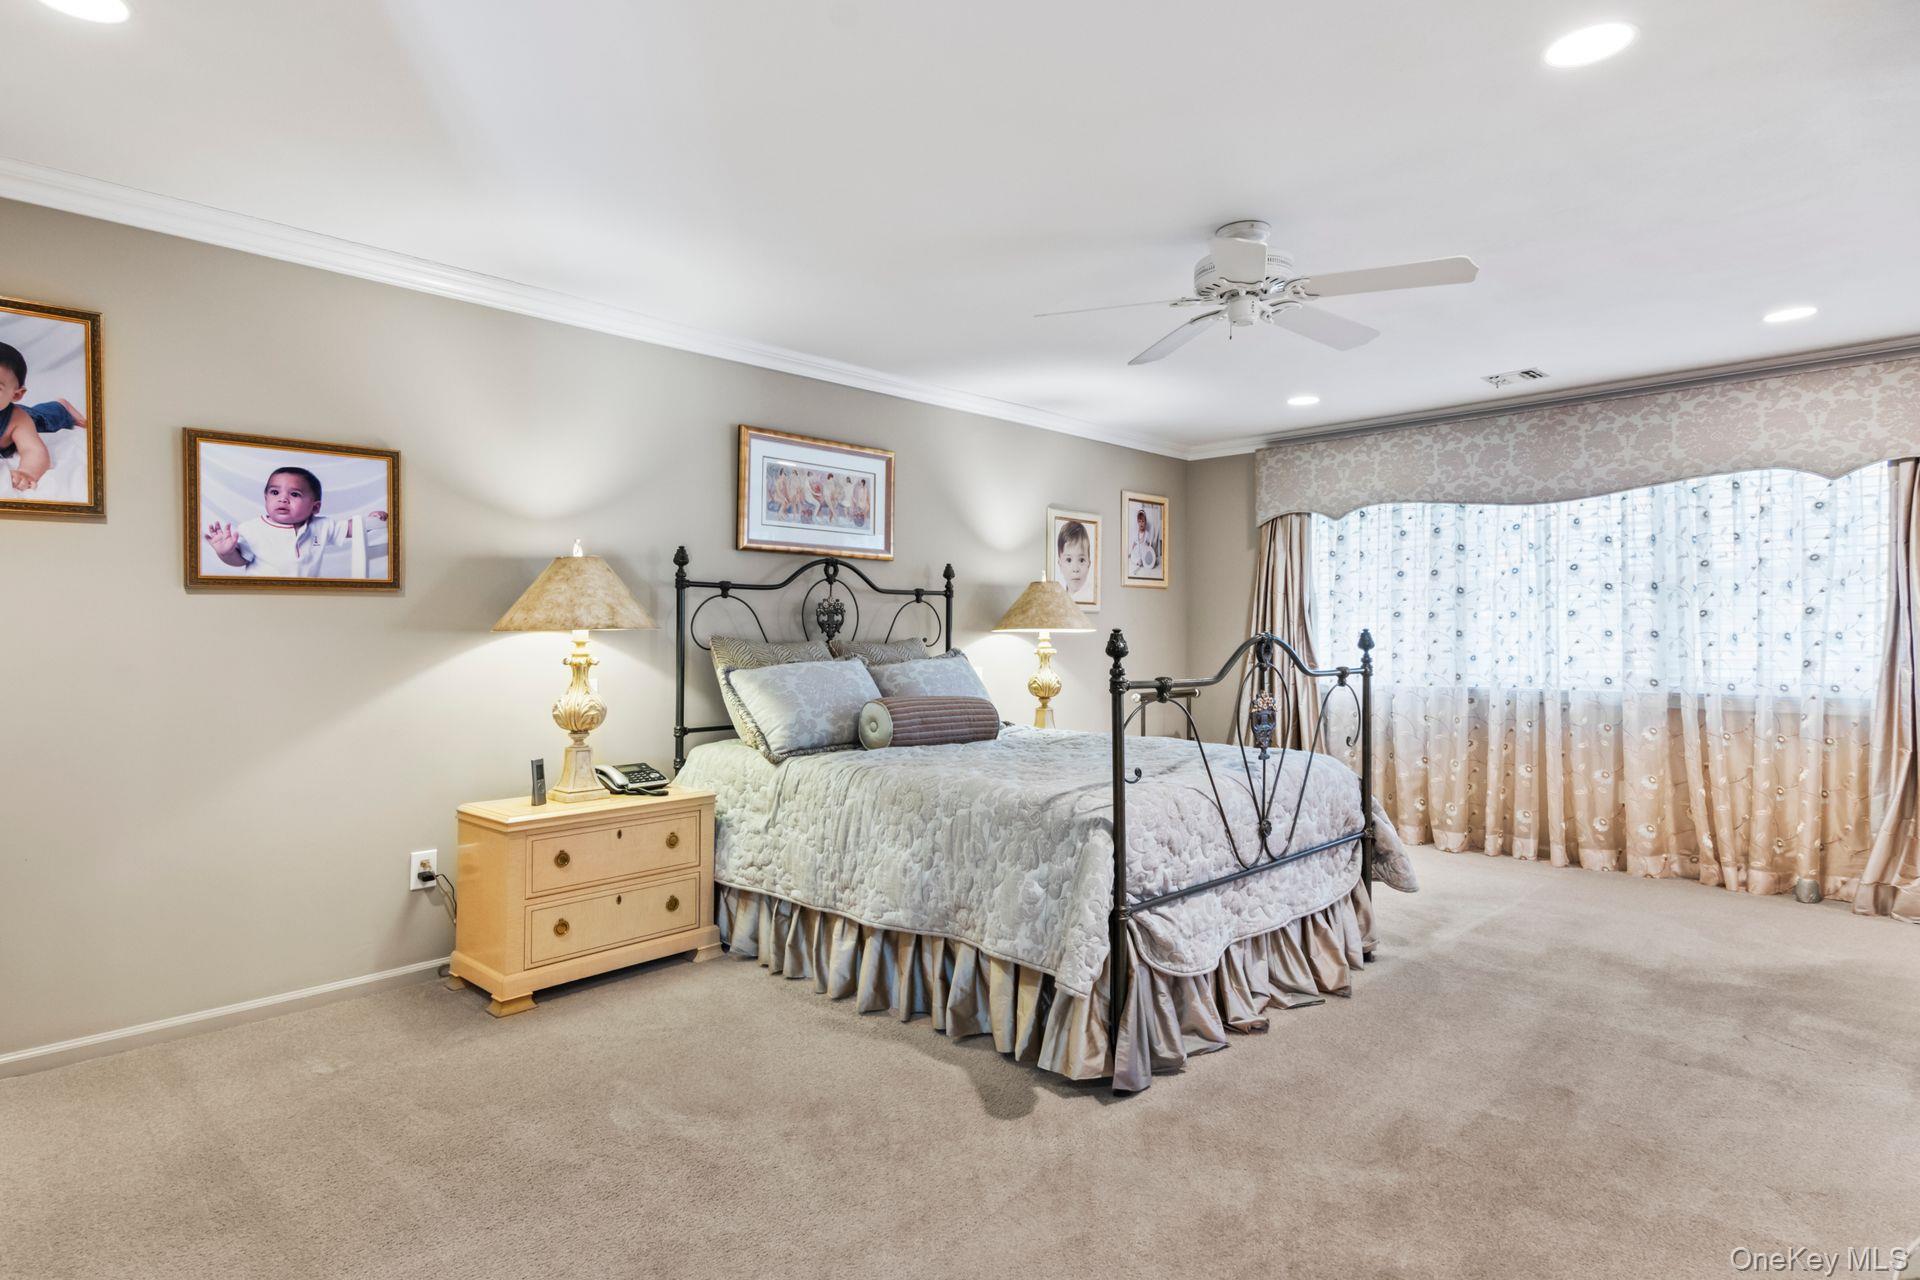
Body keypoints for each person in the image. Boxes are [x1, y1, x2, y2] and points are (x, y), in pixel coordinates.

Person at [204, 464, 387, 577]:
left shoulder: (321, 526)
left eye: (294, 494)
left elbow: (350, 528)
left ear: (315, 507)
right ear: (266, 498)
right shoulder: (252, 529)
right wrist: (226, 553)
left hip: (305, 598)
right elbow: (240, 560)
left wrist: (371, 520)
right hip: (262, 597)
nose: (283, 499)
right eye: (275, 493)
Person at [0, 340, 87, 493]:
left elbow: (32, 450)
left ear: (16, 394)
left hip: (33, 417)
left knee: (48, 415)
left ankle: (62, 405)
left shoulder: (17, 419)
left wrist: (27, 472)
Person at [1055, 519, 1092, 599]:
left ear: (1089, 564)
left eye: (1081, 560)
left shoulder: (1090, 595)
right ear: (1060, 564)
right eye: (1069, 560)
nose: (1075, 569)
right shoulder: (1058, 599)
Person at [1128, 507, 1160, 576]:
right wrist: (1132, 550)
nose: (1141, 523)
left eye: (1143, 521)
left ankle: (1145, 561)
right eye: (1139, 521)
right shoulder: (1136, 533)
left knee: (1146, 554)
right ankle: (1138, 561)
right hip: (1137, 550)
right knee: (1133, 556)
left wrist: (1149, 547)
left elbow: (1149, 544)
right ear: (1137, 522)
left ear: (1145, 522)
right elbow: (1134, 543)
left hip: (1143, 550)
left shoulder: (1147, 534)